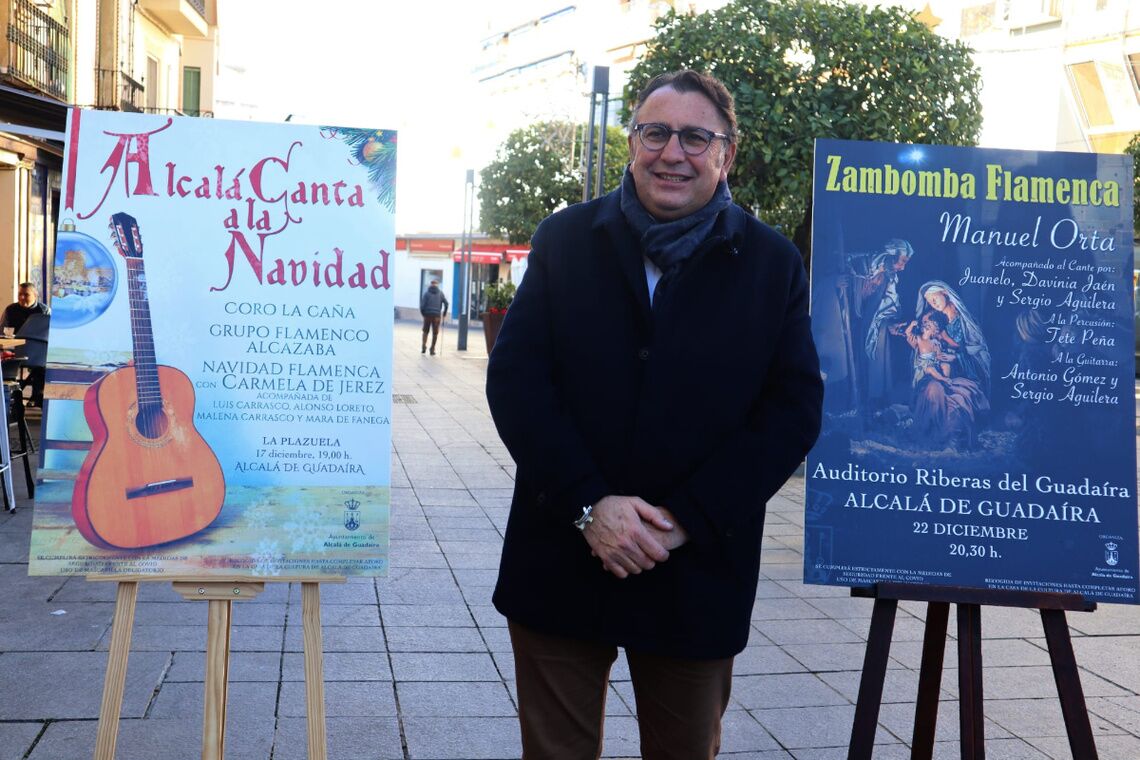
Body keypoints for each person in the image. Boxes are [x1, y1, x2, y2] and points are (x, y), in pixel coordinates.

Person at [485, 70, 822, 759]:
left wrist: (683, 523)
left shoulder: (771, 263)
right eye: (655, 132)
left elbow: (791, 410)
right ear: (631, 144)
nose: (673, 152)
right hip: (562, 554)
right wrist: (589, 507)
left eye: (697, 137)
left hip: (697, 568)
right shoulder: (565, 240)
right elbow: (518, 380)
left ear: (727, 153)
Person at [419, 279, 448, 355]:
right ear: (437, 285)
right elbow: (446, 304)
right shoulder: (441, 293)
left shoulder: (426, 294)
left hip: (427, 315)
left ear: (431, 284)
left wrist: (424, 314)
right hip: (436, 316)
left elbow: (422, 306)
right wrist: (444, 313)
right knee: (435, 333)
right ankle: (432, 349)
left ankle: (423, 346)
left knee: (425, 331)